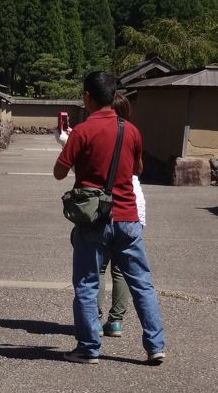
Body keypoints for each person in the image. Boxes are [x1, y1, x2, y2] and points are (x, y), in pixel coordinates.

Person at [53, 71, 165, 365]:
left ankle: (89, 349)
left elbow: (59, 172)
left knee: (88, 284)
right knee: (142, 283)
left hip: (93, 220)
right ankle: (155, 346)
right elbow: (137, 168)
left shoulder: (82, 131)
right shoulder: (131, 130)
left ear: (87, 97)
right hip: (128, 217)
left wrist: (77, 154)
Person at [97, 93, 146, 338]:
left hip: (105, 211)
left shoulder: (98, 133)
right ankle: (115, 322)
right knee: (120, 271)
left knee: (97, 269)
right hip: (133, 209)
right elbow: (139, 168)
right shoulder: (133, 133)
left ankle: (94, 320)